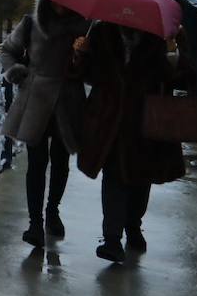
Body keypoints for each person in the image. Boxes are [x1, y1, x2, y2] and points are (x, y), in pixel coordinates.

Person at [75, 23, 187, 263]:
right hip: (110, 121)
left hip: (145, 120)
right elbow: (87, 75)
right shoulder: (102, 31)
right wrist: (81, 54)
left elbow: (185, 78)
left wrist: (172, 52)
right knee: (113, 177)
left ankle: (133, 226)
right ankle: (112, 240)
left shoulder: (163, 33)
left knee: (141, 179)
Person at [0, 0, 89, 248]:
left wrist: (82, 55)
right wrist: (17, 72)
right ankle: (35, 223)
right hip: (35, 101)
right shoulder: (32, 23)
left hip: (68, 101)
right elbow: (7, 50)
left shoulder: (85, 27)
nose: (61, 3)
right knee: (37, 163)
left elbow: (93, 71)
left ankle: (53, 211)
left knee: (61, 162)